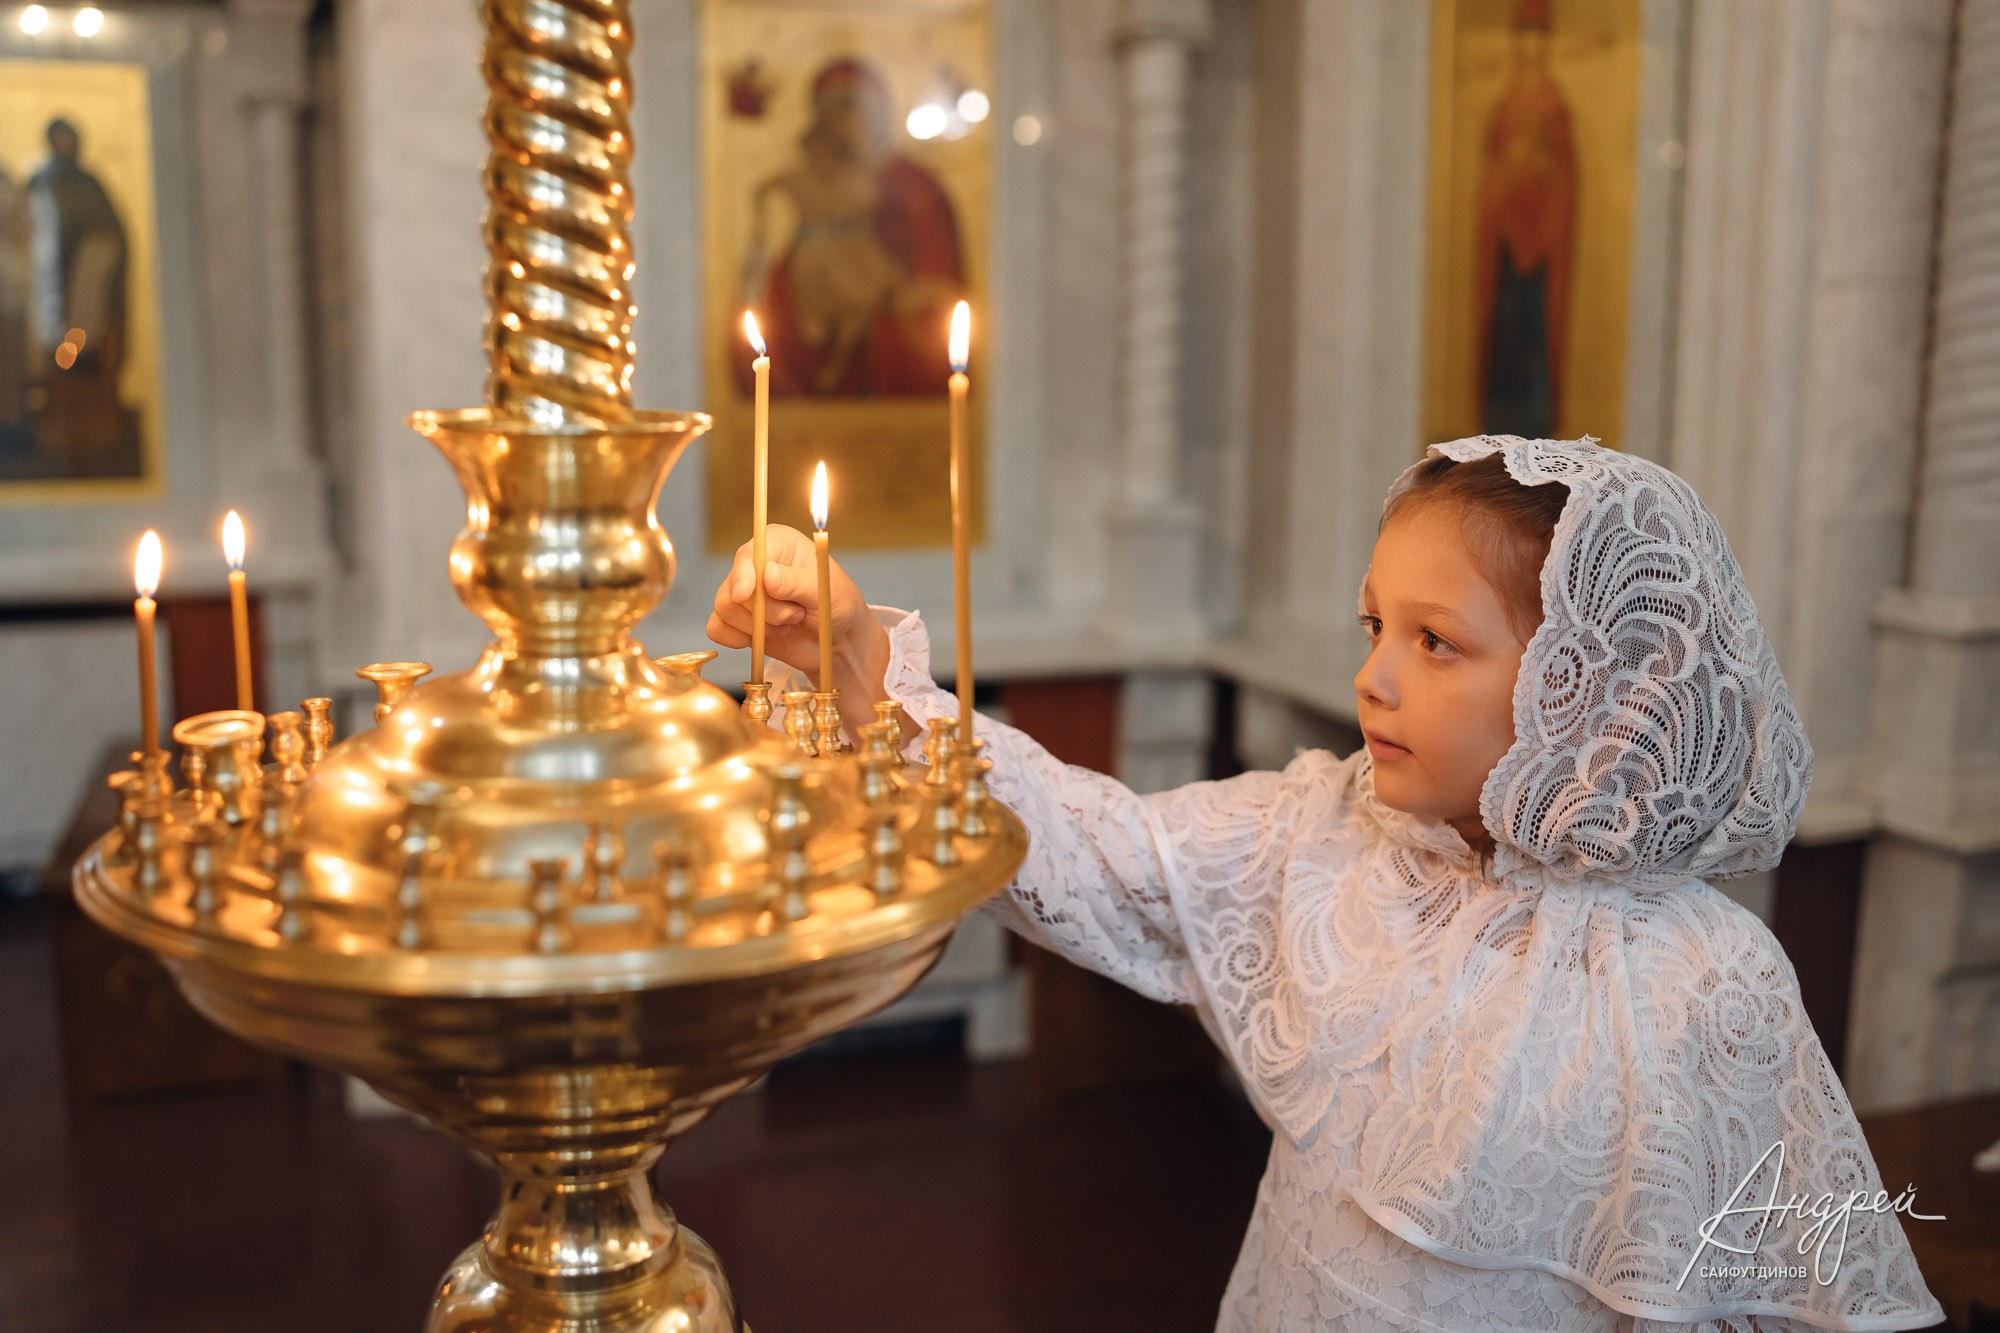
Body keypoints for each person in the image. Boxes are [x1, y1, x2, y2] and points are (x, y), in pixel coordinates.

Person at [707, 435, 1947, 1332]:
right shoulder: (1327, 834)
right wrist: (871, 679)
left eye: (1435, 641)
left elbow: (1762, 1296)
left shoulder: (1696, 978)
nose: (1375, 680)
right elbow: (1098, 851)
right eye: (1372, 627)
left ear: (1594, 689)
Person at [739, 57, 966, 398]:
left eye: (860, 112)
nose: (850, 125)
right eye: (838, 114)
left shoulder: (909, 182)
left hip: (877, 300)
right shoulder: (811, 175)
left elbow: (933, 258)